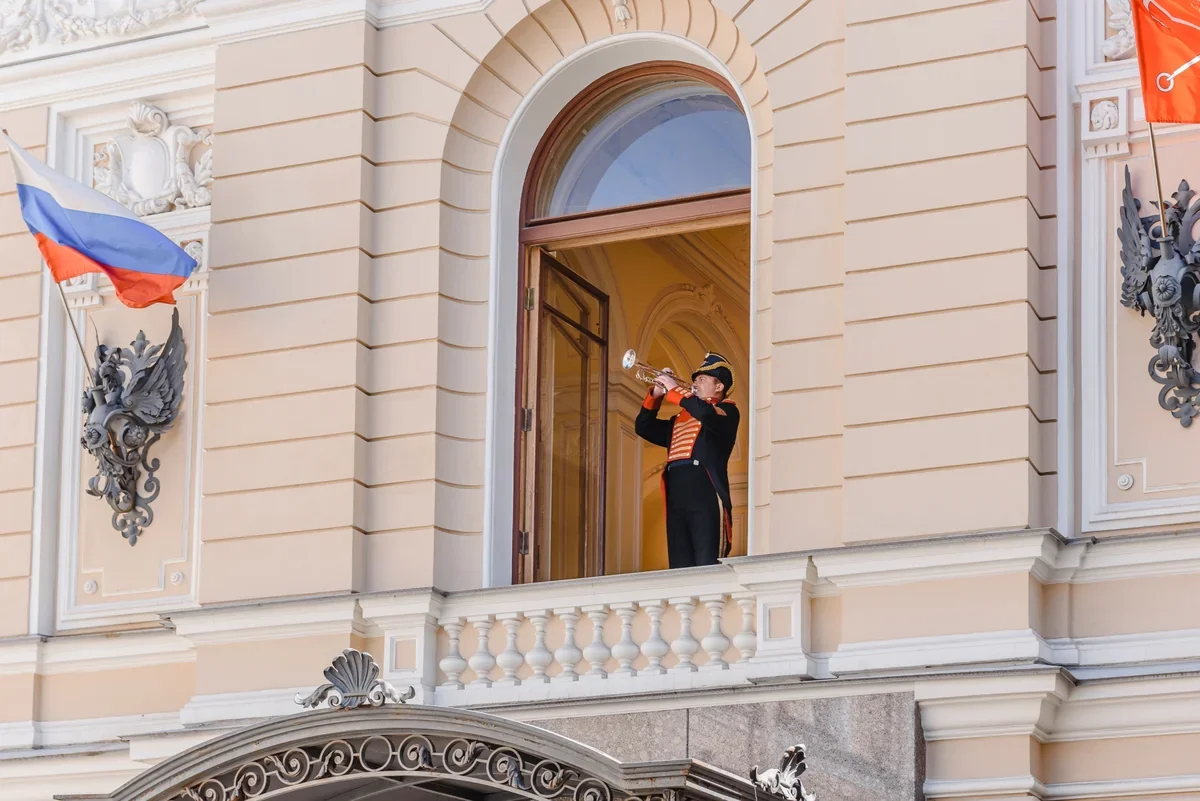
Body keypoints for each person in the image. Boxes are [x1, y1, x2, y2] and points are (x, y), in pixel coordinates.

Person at [634, 352, 739, 568]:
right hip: (677, 491)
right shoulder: (678, 420)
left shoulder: (727, 410)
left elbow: (706, 414)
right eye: (695, 379)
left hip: (704, 490)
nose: (695, 384)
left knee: (706, 558)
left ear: (719, 386)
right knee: (679, 560)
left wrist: (675, 390)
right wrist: (656, 395)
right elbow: (643, 427)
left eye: (702, 379)